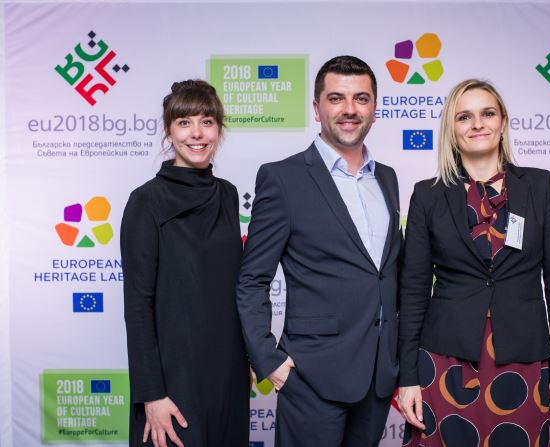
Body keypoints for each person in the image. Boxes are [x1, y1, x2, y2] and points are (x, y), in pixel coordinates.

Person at [397, 79, 550, 446]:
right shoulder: (427, 195)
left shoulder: (540, 186)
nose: (477, 124)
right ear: (451, 129)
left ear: (503, 122)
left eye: (487, 113)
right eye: (464, 116)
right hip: (445, 359)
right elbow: (413, 291)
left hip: (523, 358)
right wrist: (407, 377)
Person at [236, 55, 402, 446]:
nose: (349, 109)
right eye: (336, 98)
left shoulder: (387, 178)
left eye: (361, 98)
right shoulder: (283, 178)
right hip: (311, 377)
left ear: (374, 109)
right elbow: (252, 279)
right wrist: (269, 361)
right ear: (316, 108)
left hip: (378, 377)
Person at [121, 80, 248, 447]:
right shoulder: (146, 201)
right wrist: (152, 395)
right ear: (169, 130)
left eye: (207, 122)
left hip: (227, 373)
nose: (197, 133)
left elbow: (232, 287)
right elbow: (138, 305)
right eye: (184, 122)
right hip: (172, 381)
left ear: (219, 129)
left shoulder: (227, 195)